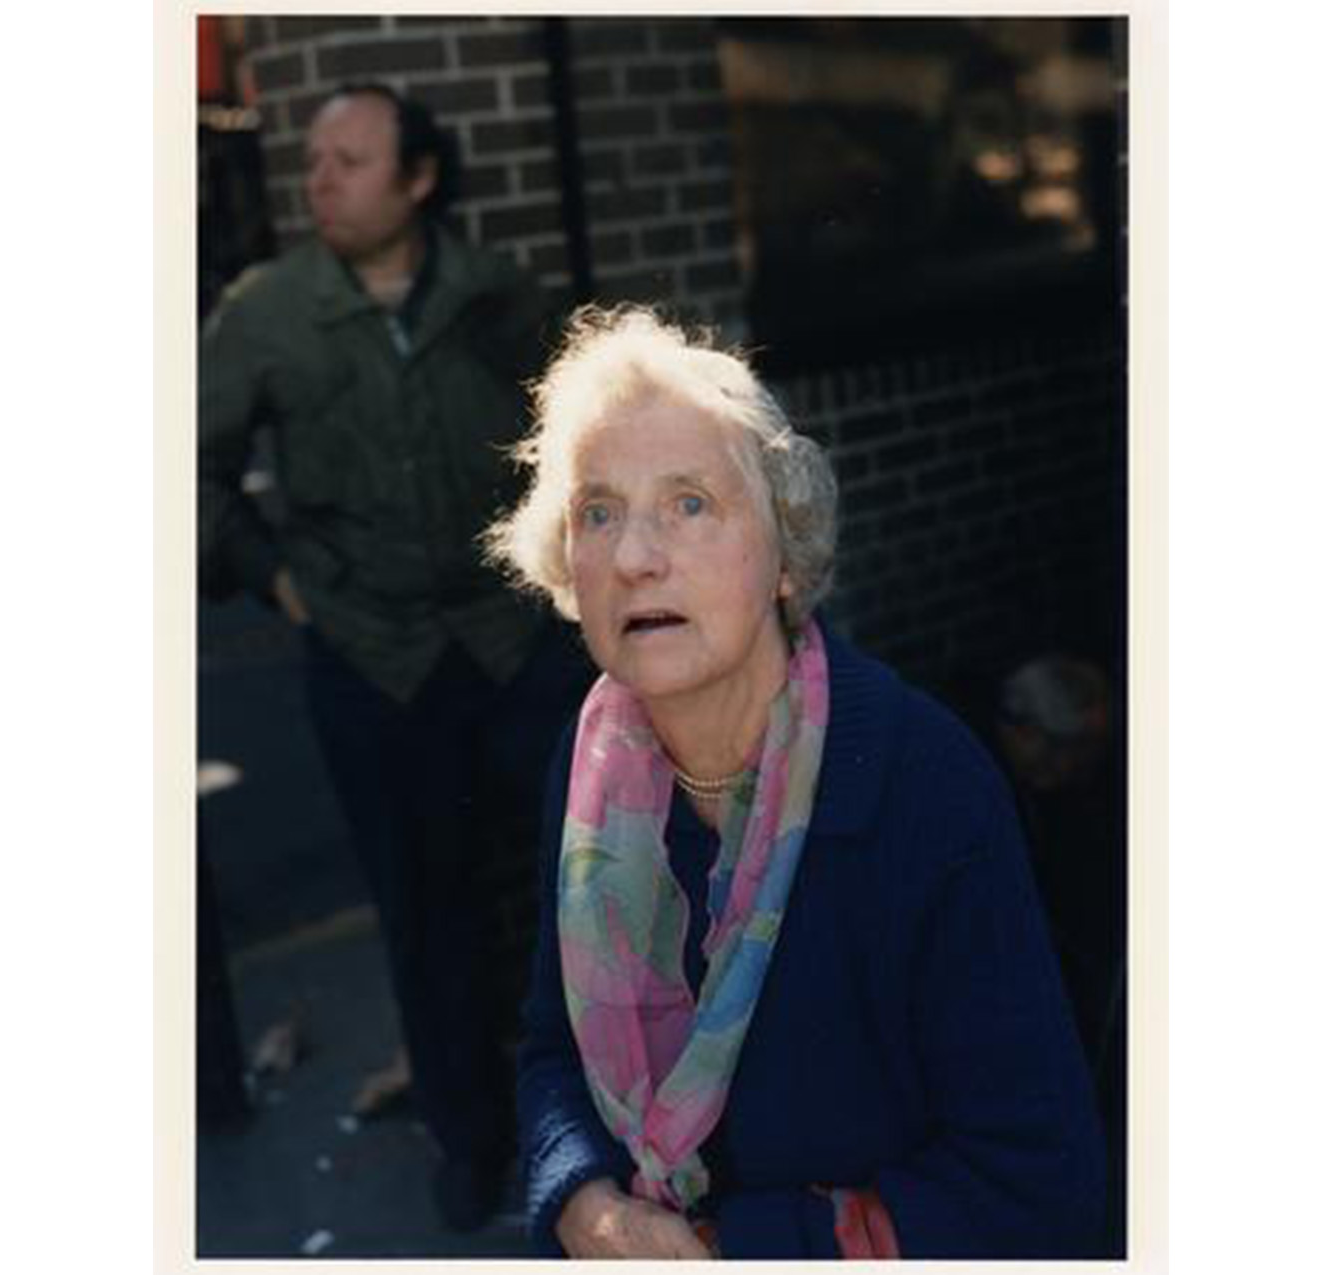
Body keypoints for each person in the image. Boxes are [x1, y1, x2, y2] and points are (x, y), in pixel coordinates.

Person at [483, 306, 1106, 1259]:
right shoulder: (592, 763)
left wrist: (733, 1244)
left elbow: (1038, 1181)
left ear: (784, 550)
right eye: (597, 511)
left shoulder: (919, 785)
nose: (635, 554)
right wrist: (581, 1201)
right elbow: (552, 1052)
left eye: (690, 502)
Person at [198, 82, 587, 1230]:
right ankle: (468, 1144)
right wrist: (277, 584)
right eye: (311, 160)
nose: (318, 180)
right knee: (425, 916)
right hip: (369, 658)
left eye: (350, 160)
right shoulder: (265, 311)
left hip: (509, 639)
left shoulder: (494, 295)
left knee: (596, 879)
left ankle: (614, 1123)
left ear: (418, 179)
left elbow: (569, 434)